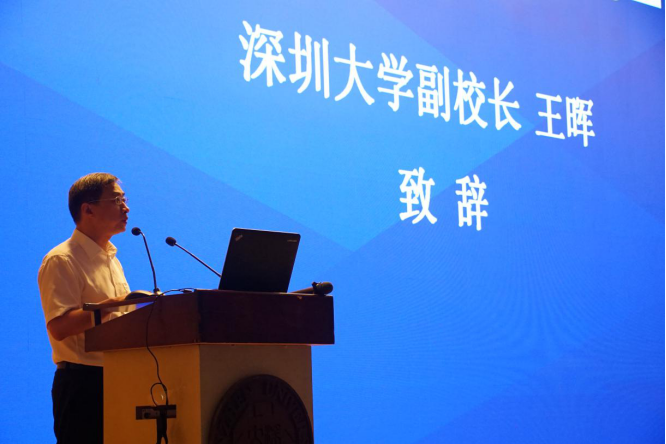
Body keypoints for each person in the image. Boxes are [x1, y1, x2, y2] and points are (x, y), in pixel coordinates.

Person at [38, 173, 131, 444]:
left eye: (124, 200)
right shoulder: (61, 260)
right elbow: (59, 327)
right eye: (116, 200)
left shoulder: (112, 259)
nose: (126, 208)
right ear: (88, 209)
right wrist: (107, 308)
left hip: (120, 378)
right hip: (82, 384)